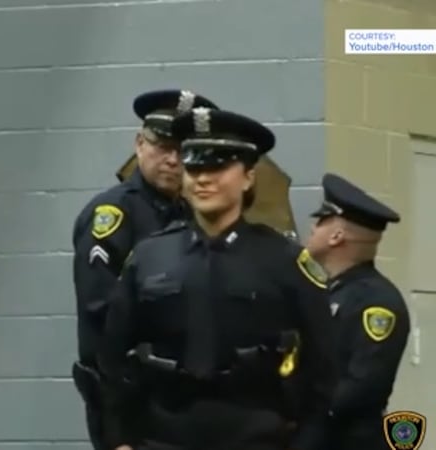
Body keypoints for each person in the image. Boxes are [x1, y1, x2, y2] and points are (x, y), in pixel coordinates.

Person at [98, 107, 337, 450]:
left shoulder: (284, 262)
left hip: (256, 437)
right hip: (163, 435)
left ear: (248, 177)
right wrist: (118, 440)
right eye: (194, 166)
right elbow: (112, 358)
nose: (203, 178)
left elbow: (323, 369)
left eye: (218, 166)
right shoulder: (149, 257)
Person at [71, 89, 219, 450]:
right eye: (162, 147)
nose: (172, 160)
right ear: (140, 144)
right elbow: (101, 312)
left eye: (182, 151)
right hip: (128, 397)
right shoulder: (115, 215)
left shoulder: (192, 215)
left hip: (181, 402)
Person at [305, 173, 410, 450]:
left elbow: (361, 385)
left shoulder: (377, 302)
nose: (313, 229)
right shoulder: (329, 289)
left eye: (321, 221)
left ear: (337, 236)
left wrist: (303, 416)